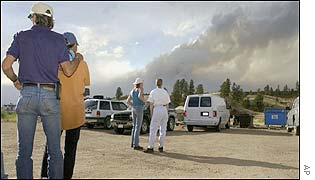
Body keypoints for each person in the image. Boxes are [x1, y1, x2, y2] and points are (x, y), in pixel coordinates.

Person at [1, 2, 81, 179]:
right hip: (49, 96)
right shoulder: (59, 39)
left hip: (27, 95)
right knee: (55, 150)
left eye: (31, 17)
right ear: (50, 21)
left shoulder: (21, 37)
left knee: (24, 152)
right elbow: (68, 71)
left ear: (35, 18)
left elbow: (6, 65)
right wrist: (78, 59)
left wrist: (16, 80)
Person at [41, 32, 90, 179]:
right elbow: (86, 84)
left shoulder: (53, 62)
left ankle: (45, 176)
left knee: (50, 148)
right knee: (71, 150)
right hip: (75, 112)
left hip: (56, 110)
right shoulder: (82, 63)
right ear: (74, 45)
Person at [144, 78, 171, 153]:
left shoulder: (153, 92)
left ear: (156, 83)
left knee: (153, 129)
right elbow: (168, 104)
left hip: (157, 109)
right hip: (164, 109)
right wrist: (167, 113)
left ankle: (151, 147)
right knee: (163, 129)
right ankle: (161, 146)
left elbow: (151, 104)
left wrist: (152, 114)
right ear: (162, 83)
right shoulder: (165, 92)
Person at [127, 78, 145, 150]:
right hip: (139, 108)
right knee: (138, 126)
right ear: (140, 84)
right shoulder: (141, 89)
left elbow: (127, 101)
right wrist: (144, 101)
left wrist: (133, 105)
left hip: (133, 108)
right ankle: (136, 145)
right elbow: (139, 97)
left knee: (134, 126)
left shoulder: (132, 91)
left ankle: (132, 143)